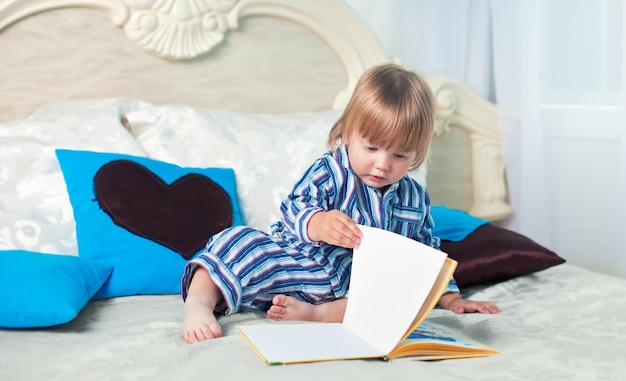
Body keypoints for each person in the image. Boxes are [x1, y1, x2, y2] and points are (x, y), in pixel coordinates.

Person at [182, 63, 500, 344]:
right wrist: (319, 223)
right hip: (303, 263)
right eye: (372, 148)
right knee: (239, 242)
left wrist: (450, 296)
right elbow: (294, 208)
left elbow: (425, 256)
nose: (382, 165)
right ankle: (199, 302)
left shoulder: (414, 199)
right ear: (349, 133)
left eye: (399, 155)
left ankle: (317, 315)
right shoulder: (330, 171)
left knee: (399, 298)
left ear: (417, 152)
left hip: (356, 288)